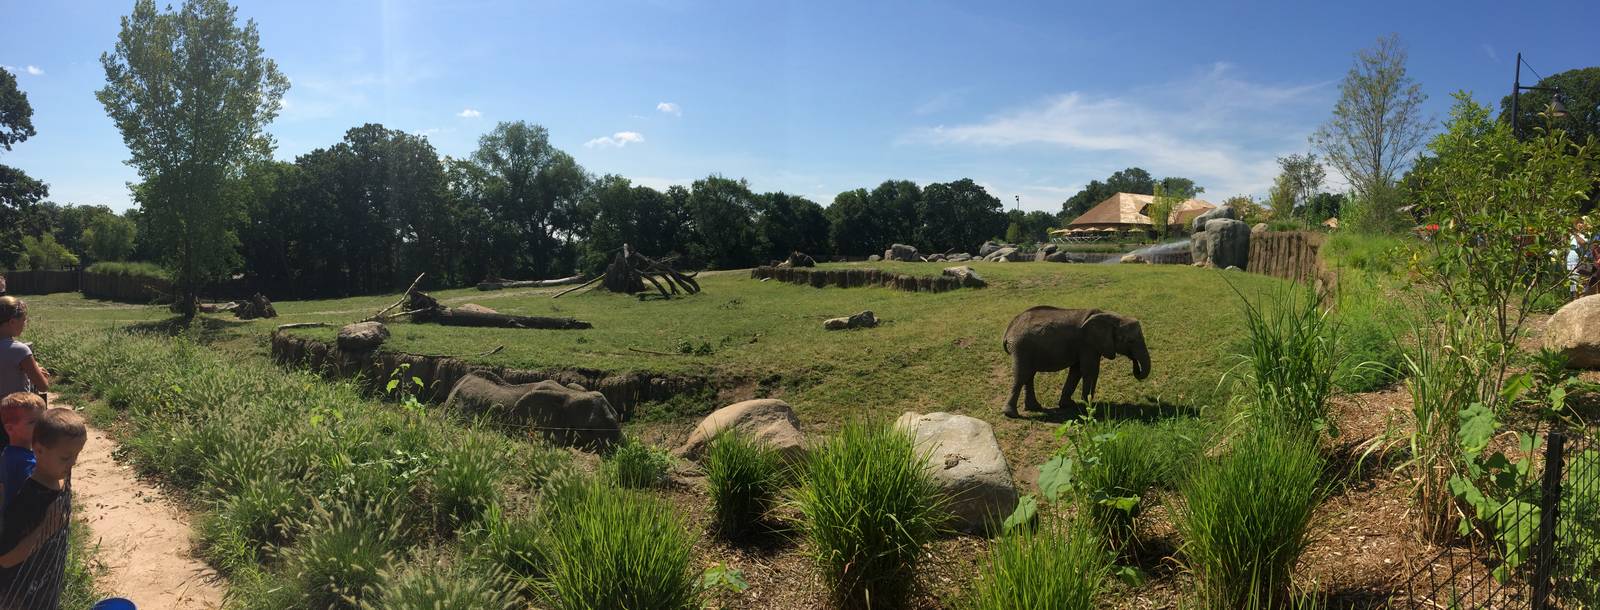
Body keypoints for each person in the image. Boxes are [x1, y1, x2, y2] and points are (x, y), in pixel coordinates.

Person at [0, 407, 85, 610]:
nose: (73, 463)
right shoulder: (28, 499)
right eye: (65, 458)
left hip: (46, 588)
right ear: (38, 450)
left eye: (77, 455)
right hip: (21, 597)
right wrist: (47, 527)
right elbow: (5, 559)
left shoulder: (59, 481)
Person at [0, 298, 48, 403]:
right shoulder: (19, 351)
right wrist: (40, 373)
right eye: (23, 320)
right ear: (12, 322)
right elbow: (43, 386)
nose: (25, 324)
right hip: (15, 413)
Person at [0, 394, 43, 508]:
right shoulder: (25, 463)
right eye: (32, 422)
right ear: (10, 428)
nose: (41, 426)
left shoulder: (8, 452)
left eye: (42, 420)